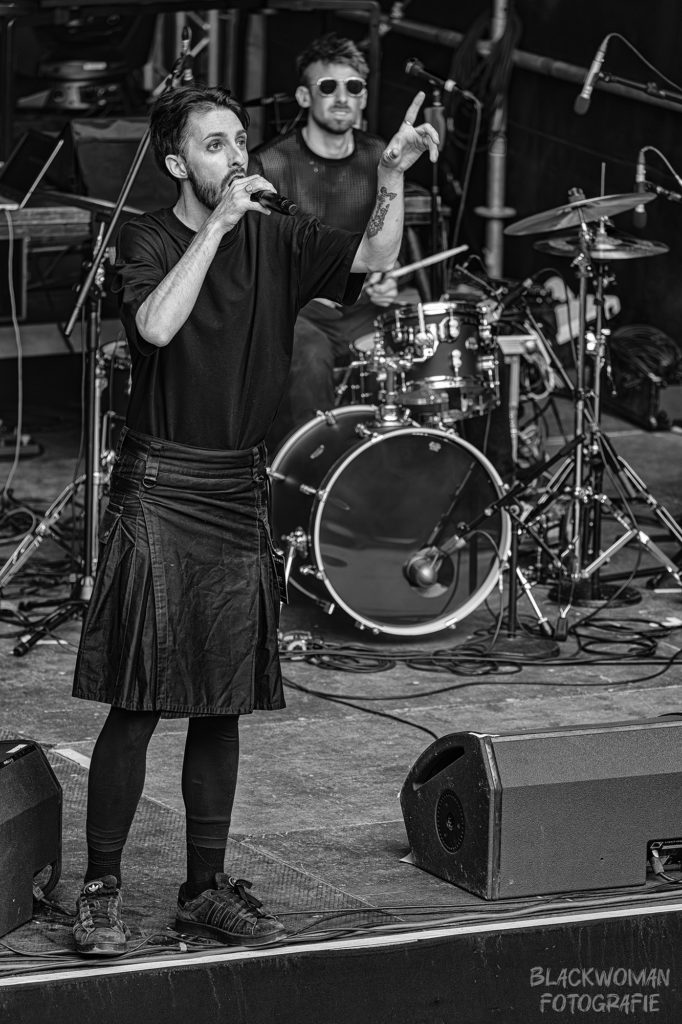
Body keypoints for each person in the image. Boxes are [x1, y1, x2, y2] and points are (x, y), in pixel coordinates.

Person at [70, 80, 438, 956]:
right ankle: (100, 888)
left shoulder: (278, 234)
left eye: (240, 141)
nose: (235, 157)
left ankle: (203, 887)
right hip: (161, 483)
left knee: (221, 701)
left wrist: (391, 175)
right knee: (138, 699)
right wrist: (221, 226)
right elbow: (157, 326)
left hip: (236, 484)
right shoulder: (148, 237)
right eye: (214, 145)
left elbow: (370, 255)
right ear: (176, 164)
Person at [249, 33, 402, 450]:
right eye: (328, 86)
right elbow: (253, 260)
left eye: (353, 87)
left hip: (361, 310)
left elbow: (388, 242)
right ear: (304, 96)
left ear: (364, 97)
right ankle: (316, 473)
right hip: (297, 312)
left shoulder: (380, 157)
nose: (342, 97)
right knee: (310, 358)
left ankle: (412, 469)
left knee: (437, 347)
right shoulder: (270, 163)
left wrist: (387, 279)